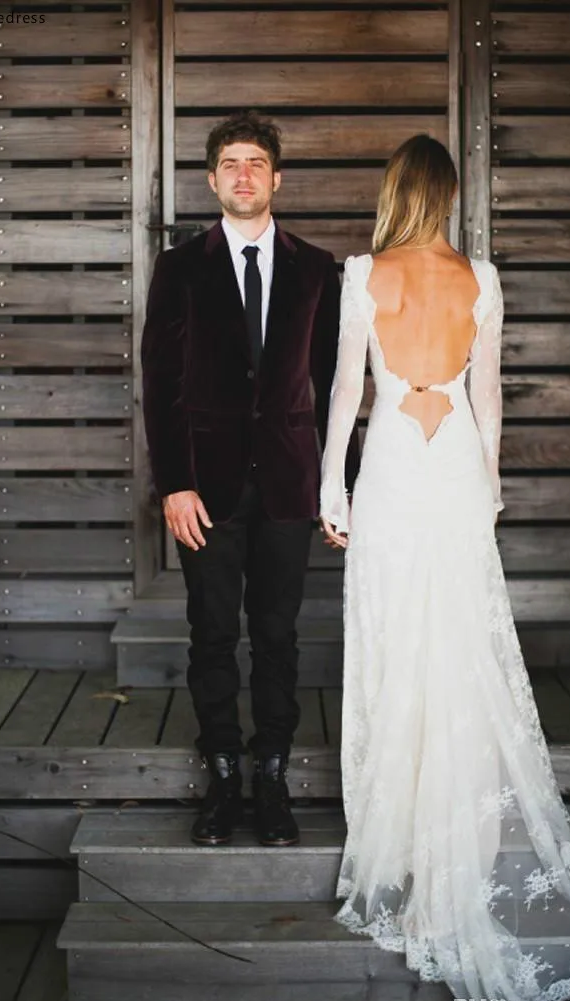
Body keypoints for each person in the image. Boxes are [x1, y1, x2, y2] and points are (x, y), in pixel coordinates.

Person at [319, 135, 570, 1000]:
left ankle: (403, 836)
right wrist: (492, 488)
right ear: (445, 194)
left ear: (395, 192)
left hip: (392, 466)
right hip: (453, 474)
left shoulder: (363, 274)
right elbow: (488, 396)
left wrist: (333, 490)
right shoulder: (482, 277)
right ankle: (452, 837)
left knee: (394, 639)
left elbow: (347, 392)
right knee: (460, 643)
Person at [141, 111, 359, 849]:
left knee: (276, 636)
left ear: (277, 179)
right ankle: (223, 777)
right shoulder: (180, 268)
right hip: (206, 488)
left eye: (256, 163)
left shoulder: (316, 269)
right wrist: (174, 484)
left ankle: (271, 778)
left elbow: (336, 389)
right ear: (212, 180)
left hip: (290, 486)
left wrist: (339, 487)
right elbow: (161, 382)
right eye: (230, 163)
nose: (243, 174)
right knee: (211, 634)